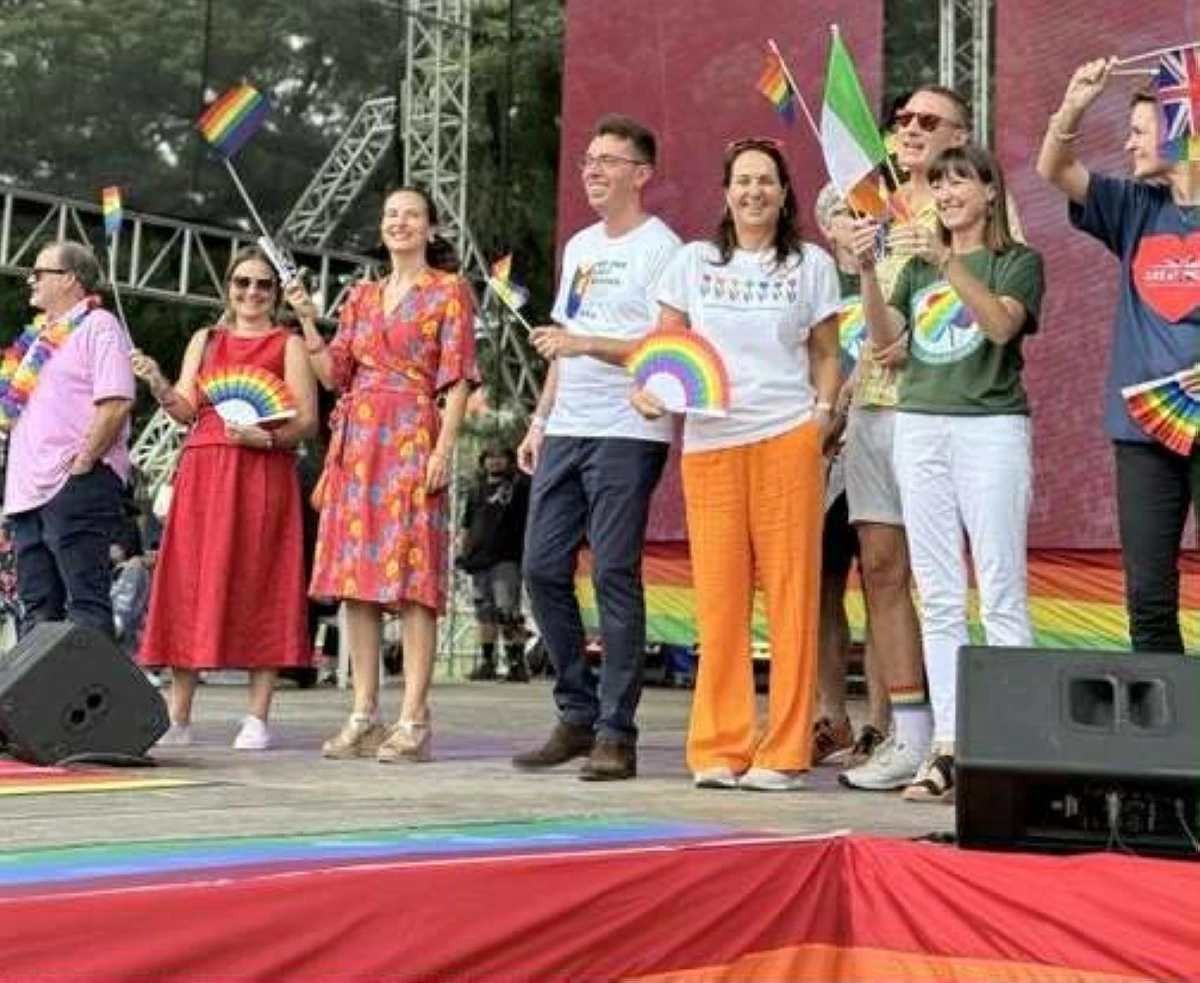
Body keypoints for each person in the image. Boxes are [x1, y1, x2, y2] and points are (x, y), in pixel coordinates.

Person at [632, 137, 841, 791]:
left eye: (767, 181)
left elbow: (828, 354)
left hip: (786, 437)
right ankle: (719, 747)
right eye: (743, 181)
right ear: (725, 192)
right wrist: (650, 388)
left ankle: (782, 752)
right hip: (711, 443)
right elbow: (667, 345)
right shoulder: (694, 262)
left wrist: (825, 409)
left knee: (790, 596)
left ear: (784, 195)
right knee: (720, 600)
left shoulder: (811, 264)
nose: (754, 191)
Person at [854, 143, 1045, 802]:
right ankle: (949, 747)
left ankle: (1012, 745)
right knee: (936, 592)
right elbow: (885, 346)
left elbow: (996, 326)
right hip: (920, 425)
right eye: (939, 183)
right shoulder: (916, 267)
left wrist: (948, 262)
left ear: (991, 192)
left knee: (998, 588)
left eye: (961, 180)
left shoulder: (1017, 262)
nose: (949, 192)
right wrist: (867, 274)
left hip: (990, 428)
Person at [511, 114, 680, 782]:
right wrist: (538, 418)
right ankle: (576, 711)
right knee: (541, 568)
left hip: (628, 431)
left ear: (641, 172)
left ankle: (617, 730)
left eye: (608, 160)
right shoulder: (580, 245)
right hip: (568, 426)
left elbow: (666, 347)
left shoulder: (663, 248)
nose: (593, 170)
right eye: (587, 159)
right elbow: (562, 337)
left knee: (613, 571)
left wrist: (585, 345)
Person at [302, 186, 477, 763]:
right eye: (391, 215)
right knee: (357, 581)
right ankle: (363, 712)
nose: (399, 223)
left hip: (411, 433)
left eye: (412, 215)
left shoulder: (449, 291)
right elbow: (334, 375)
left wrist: (442, 448)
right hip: (358, 440)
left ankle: (414, 718)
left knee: (412, 580)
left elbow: (456, 378)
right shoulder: (361, 295)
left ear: (430, 228)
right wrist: (307, 320)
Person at [836, 85, 975, 793]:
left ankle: (956, 734)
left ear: (959, 132)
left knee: (940, 576)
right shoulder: (871, 209)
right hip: (872, 408)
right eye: (903, 121)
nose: (911, 129)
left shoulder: (972, 203)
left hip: (936, 409)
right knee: (882, 568)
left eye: (929, 121)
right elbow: (859, 322)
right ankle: (909, 732)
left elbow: (983, 300)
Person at [1037, 60, 1200, 652]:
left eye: (1140, 128)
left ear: (1183, 127)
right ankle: (1169, 743)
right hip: (1144, 433)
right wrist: (1074, 105)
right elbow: (1053, 168)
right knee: (1149, 599)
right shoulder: (1133, 207)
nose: (1128, 141)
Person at [133, 246, 317, 750]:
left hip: (262, 469)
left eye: (262, 285)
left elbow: (306, 420)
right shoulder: (206, 339)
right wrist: (158, 384)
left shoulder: (290, 344)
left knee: (263, 580)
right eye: (242, 283)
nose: (252, 292)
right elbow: (186, 410)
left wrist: (270, 439)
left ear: (276, 294)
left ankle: (256, 717)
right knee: (189, 583)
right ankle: (179, 714)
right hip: (204, 469)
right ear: (228, 287)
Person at [2, 240, 134, 638]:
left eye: (39, 272)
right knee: (37, 608)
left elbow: (115, 402)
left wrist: (82, 463)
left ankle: (93, 698)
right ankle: (36, 702)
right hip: (27, 494)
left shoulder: (99, 325)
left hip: (74, 484)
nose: (31, 280)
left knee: (85, 604)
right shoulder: (35, 339)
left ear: (70, 280)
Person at [811, 184, 889, 767]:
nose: (855, 220)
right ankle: (830, 716)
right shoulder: (815, 281)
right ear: (825, 227)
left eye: (865, 211)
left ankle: (883, 723)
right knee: (823, 587)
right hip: (822, 455)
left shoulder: (889, 271)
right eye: (844, 212)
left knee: (883, 584)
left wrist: (845, 404)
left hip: (876, 439)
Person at [458, 443, 530, 682]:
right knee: (484, 613)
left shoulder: (518, 487)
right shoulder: (476, 490)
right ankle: (487, 662)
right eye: (490, 457)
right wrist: (463, 551)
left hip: (506, 558)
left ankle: (516, 664)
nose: (495, 462)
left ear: (509, 461)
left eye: (500, 457)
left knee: (508, 611)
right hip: (479, 560)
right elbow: (467, 525)